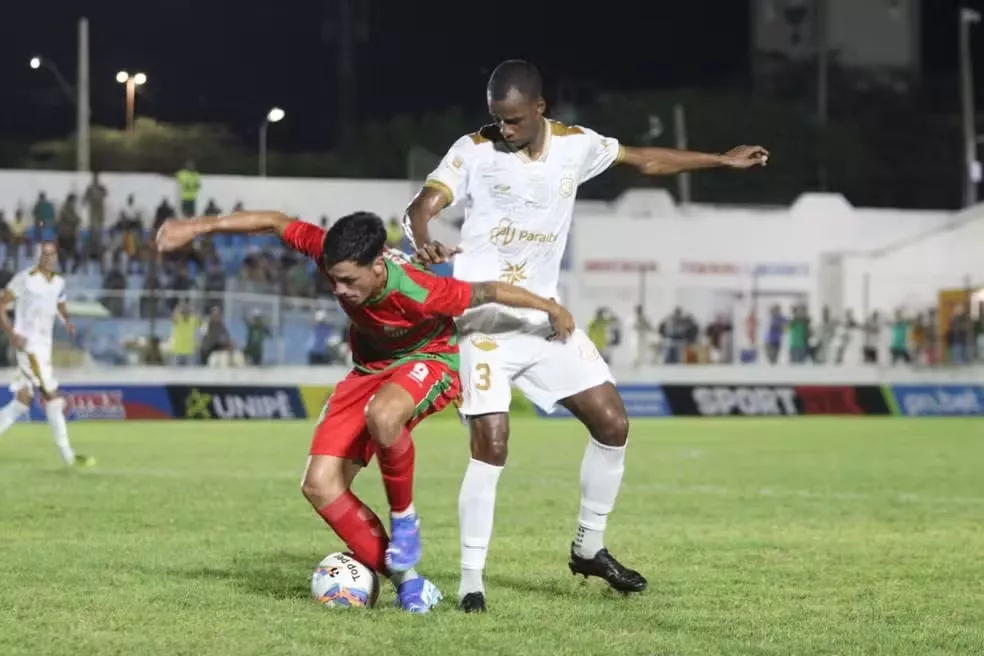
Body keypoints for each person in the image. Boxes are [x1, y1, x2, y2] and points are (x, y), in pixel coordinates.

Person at [404, 59, 769, 612]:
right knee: (492, 447)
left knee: (613, 422)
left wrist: (719, 159)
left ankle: (589, 548)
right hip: (484, 324)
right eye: (497, 119)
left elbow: (645, 160)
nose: (503, 129)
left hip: (545, 320)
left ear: (540, 108)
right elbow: (421, 207)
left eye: (513, 119)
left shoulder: (576, 145)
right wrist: (424, 236)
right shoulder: (473, 150)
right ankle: (470, 583)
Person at [155, 209, 575, 614]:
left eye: (348, 281)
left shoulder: (421, 291)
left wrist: (550, 307)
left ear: (377, 267)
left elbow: (490, 291)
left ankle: (405, 521)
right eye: (334, 278)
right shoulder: (332, 251)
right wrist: (196, 226)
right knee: (320, 485)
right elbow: (275, 222)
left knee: (384, 416)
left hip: (429, 358)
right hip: (368, 370)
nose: (338, 289)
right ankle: (410, 583)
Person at [0, 242, 94, 467]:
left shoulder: (59, 281)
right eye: (45, 254)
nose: (49, 258)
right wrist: (12, 334)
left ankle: (68, 456)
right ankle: (68, 456)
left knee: (22, 402)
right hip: (28, 347)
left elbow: (59, 302)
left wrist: (67, 320)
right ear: (37, 256)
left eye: (53, 254)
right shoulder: (25, 279)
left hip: (44, 347)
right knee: (53, 398)